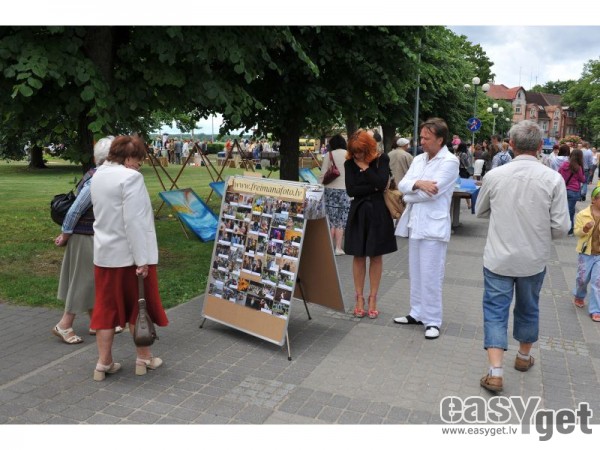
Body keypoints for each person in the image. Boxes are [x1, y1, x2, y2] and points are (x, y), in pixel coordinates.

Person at [475, 120, 570, 393]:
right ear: (540, 146)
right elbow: (561, 228)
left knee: (495, 310)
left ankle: (495, 372)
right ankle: (523, 357)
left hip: (498, 257)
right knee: (529, 307)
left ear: (511, 144)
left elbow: (480, 211)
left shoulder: (495, 175)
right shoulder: (553, 178)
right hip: (533, 258)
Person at [90, 135, 169, 381]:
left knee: (105, 309)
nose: (139, 165)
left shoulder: (97, 175)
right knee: (138, 306)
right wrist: (142, 260)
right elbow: (134, 222)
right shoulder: (130, 178)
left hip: (105, 255)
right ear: (127, 158)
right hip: (130, 257)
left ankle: (103, 363)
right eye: (137, 160)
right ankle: (143, 358)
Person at [393, 118, 459, 340]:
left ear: (440, 140)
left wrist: (409, 194)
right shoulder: (419, 159)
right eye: (421, 137)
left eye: (426, 138)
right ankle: (416, 313)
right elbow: (402, 184)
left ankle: (432, 320)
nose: (421, 141)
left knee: (431, 275)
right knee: (416, 272)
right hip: (416, 224)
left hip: (434, 226)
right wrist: (418, 183)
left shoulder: (449, 162)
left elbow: (432, 193)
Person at [53, 137, 120, 344]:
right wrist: (65, 234)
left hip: (89, 235)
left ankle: (96, 322)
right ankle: (64, 325)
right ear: (110, 157)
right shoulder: (96, 179)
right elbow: (75, 210)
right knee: (84, 281)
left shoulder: (100, 175)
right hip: (83, 237)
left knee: (92, 280)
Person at [344, 129, 397, 319]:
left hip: (378, 213)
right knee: (358, 256)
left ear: (368, 148)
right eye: (354, 152)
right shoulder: (349, 163)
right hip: (359, 213)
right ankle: (359, 298)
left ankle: (373, 298)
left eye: (360, 151)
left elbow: (381, 183)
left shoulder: (382, 159)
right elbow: (351, 190)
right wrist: (372, 186)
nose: (357, 155)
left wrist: (365, 169)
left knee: (376, 256)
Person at [318, 134, 351, 256]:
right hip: (345, 190)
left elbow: (323, 174)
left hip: (330, 190)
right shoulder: (349, 155)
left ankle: (328, 248)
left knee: (331, 219)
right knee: (341, 220)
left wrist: (319, 186)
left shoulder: (329, 155)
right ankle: (338, 247)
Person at [572, 186, 600, 322]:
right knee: (582, 279)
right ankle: (579, 295)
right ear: (594, 199)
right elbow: (576, 232)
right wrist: (585, 228)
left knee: (597, 282)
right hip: (586, 253)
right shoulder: (583, 214)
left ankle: (595, 310)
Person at [558, 148, 586, 236]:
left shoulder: (564, 165)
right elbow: (582, 179)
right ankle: (569, 230)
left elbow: (558, 174)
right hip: (573, 191)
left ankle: (561, 227)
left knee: (563, 210)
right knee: (570, 211)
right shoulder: (578, 167)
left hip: (563, 189)